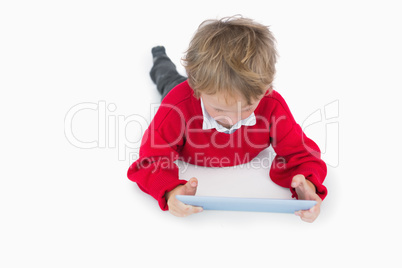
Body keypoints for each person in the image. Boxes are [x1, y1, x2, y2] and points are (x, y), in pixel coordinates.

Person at [127, 16, 327, 222]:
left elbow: (303, 155)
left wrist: (308, 186)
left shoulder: (272, 104)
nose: (232, 120)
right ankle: (159, 56)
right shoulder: (176, 106)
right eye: (219, 108)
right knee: (166, 78)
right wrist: (169, 191)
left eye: (247, 108)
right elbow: (151, 160)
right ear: (197, 89)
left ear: (266, 90)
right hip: (177, 90)